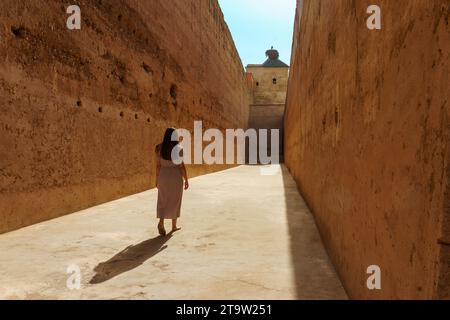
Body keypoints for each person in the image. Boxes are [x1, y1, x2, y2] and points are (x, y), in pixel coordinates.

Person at [155, 128, 189, 236]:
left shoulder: (158, 148)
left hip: (163, 176)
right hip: (175, 176)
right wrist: (186, 179)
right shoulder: (178, 148)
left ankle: (161, 222)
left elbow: (158, 165)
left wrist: (157, 179)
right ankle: (174, 226)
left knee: (162, 199)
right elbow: (181, 166)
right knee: (175, 200)